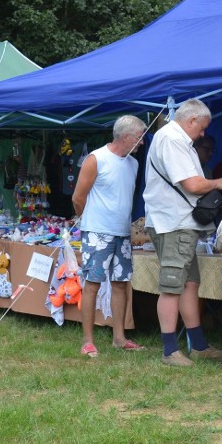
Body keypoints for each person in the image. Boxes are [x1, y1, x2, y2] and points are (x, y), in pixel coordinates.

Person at [144, 99, 222, 366]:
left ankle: (198, 345)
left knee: (189, 284)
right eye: (202, 128)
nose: (203, 134)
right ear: (191, 120)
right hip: (174, 224)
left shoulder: (175, 139)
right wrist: (219, 183)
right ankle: (170, 350)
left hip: (180, 223)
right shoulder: (171, 139)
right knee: (171, 287)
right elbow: (192, 184)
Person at [72, 115, 147, 358]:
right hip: (97, 232)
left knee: (120, 284)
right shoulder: (96, 159)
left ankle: (119, 338)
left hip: (122, 233)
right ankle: (87, 341)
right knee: (92, 284)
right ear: (126, 137)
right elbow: (77, 198)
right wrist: (91, 222)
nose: (142, 143)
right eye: (139, 137)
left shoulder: (133, 164)